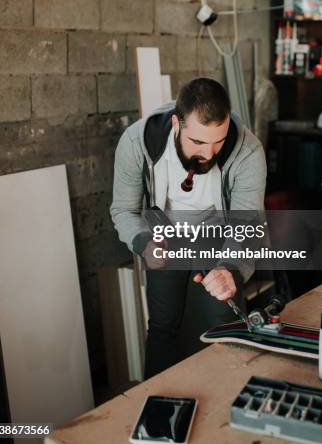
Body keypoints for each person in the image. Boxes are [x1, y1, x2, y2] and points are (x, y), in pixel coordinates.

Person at [110, 78, 266, 378]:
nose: (208, 154)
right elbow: (123, 210)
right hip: (165, 235)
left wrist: (230, 270)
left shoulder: (248, 151)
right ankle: (157, 403)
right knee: (162, 325)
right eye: (198, 143)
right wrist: (143, 242)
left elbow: (247, 224)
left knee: (223, 326)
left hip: (219, 235)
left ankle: (226, 406)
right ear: (176, 125)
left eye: (217, 143)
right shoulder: (136, 142)